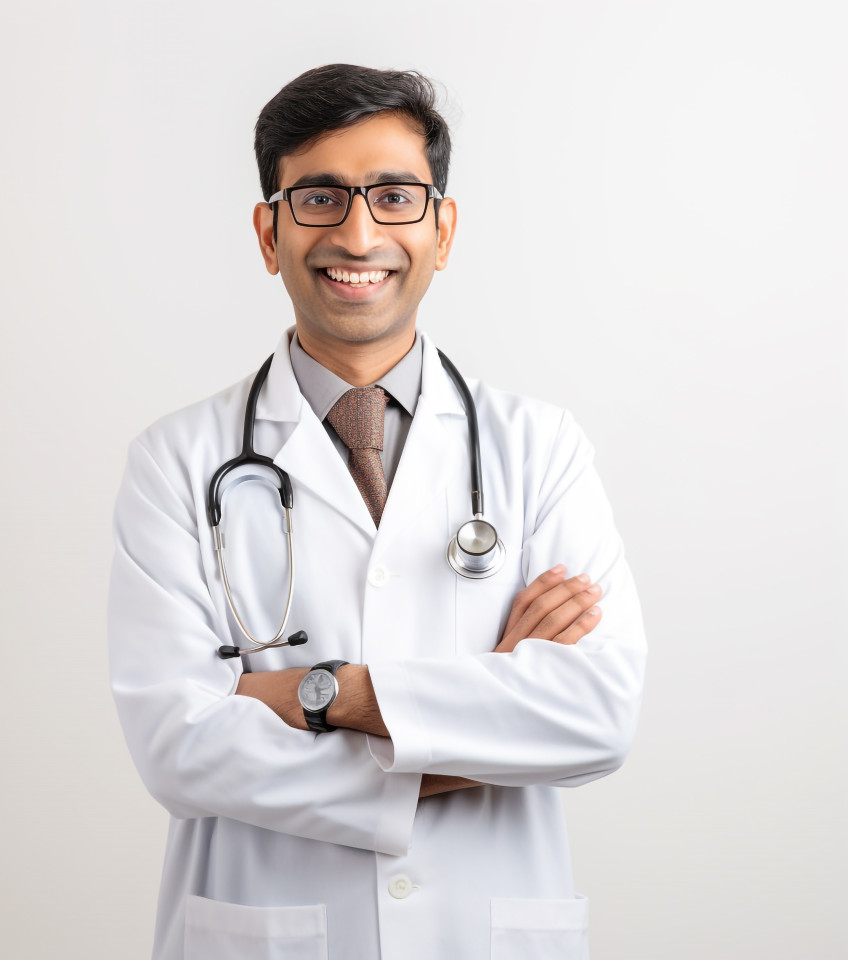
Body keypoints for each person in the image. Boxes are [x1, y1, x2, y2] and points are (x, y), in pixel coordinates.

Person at [108, 63, 646, 960]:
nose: (358, 234)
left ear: (443, 228)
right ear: (268, 232)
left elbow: (595, 713)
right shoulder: (176, 461)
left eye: (395, 196)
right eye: (318, 196)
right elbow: (181, 744)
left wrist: (324, 695)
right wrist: (488, 701)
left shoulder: (541, 448)